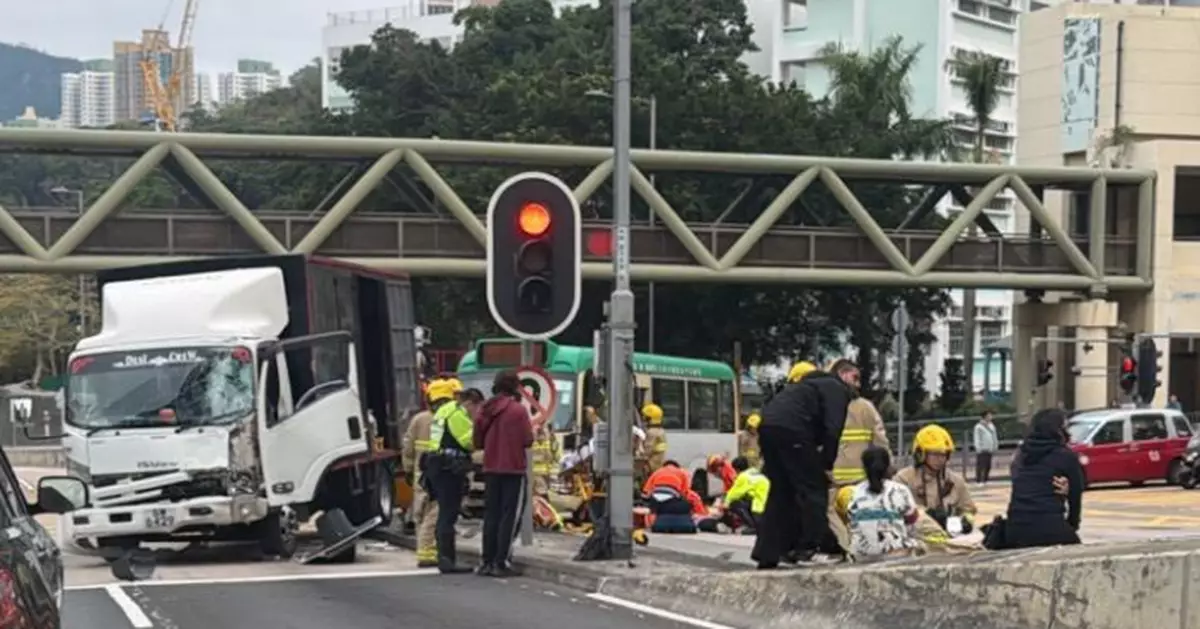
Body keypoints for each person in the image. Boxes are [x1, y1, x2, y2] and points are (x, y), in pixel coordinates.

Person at [751, 359, 857, 569]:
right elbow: (833, 429)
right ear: (842, 375)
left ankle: (769, 552)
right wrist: (827, 465)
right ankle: (814, 547)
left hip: (768, 427)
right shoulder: (836, 388)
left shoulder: (804, 388)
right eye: (855, 378)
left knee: (781, 493)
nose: (858, 385)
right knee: (814, 490)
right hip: (794, 431)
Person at [474, 371, 535, 578]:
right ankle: (501, 561)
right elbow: (528, 440)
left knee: (491, 514)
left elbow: (477, 439)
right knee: (510, 515)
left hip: (491, 467)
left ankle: (486, 560)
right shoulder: (518, 411)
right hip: (513, 468)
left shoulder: (485, 408)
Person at [1003, 408, 1085, 549]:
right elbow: (1076, 495)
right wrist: (1072, 524)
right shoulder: (1066, 456)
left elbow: (1020, 483)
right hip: (1049, 525)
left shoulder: (1020, 455)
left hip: (1015, 528)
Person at [425, 380, 482, 574]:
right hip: (447, 467)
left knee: (444, 512)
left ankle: (444, 557)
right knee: (448, 514)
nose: (476, 414)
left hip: (436, 464)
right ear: (470, 403)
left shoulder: (445, 409)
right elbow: (468, 442)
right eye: (477, 410)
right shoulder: (457, 413)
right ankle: (447, 560)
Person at [827, 395, 890, 553]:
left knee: (831, 513)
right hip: (861, 477)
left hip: (833, 479)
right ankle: (863, 546)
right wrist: (884, 467)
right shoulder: (865, 407)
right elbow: (879, 439)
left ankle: (848, 547)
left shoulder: (821, 406)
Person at [894, 425, 977, 536]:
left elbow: (968, 509)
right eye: (935, 454)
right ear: (920, 454)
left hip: (949, 538)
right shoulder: (903, 479)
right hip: (915, 538)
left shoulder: (955, 481)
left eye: (944, 454)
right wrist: (926, 516)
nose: (940, 459)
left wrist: (965, 520)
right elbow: (896, 512)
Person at [844, 446, 921, 561]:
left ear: (864, 468)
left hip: (860, 554)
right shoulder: (900, 489)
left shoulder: (854, 492)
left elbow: (850, 519)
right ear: (888, 466)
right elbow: (911, 519)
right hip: (895, 552)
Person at [402, 379, 441, 568]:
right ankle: (429, 552)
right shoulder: (446, 418)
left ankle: (425, 550)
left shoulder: (419, 420)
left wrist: (408, 469)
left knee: (421, 513)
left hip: (420, 474)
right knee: (434, 513)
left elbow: (408, 447)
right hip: (438, 475)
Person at [642, 460, 706, 532]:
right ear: (677, 467)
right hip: (671, 499)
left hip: (655, 497)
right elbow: (685, 493)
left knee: (654, 510)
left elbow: (646, 492)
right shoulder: (681, 473)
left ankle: (652, 524)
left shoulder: (657, 472)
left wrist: (647, 503)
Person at [720, 456, 769, 533]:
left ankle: (753, 526)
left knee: (734, 503)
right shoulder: (755, 472)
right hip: (768, 504)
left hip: (759, 507)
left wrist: (725, 504)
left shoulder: (743, 476)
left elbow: (734, 494)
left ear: (737, 469)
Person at [973, 410, 1000, 486]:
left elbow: (994, 436)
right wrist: (978, 447)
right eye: (989, 415)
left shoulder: (992, 425)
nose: (991, 417)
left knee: (988, 465)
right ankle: (978, 481)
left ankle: (985, 480)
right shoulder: (978, 426)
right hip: (982, 448)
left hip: (990, 448)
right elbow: (977, 438)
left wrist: (995, 445)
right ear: (985, 417)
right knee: (981, 465)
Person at [642, 404, 668, 472]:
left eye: (645, 418)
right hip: (659, 464)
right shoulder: (661, 431)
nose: (644, 421)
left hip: (650, 466)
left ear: (650, 419)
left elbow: (647, 450)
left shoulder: (651, 432)